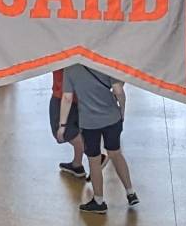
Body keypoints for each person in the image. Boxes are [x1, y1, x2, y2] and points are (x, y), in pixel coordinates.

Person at [61, 63, 135, 212]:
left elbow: (67, 98)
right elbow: (118, 90)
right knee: (115, 153)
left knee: (94, 161)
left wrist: (62, 125)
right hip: (112, 118)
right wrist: (122, 110)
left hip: (89, 123)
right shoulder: (102, 61)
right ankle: (131, 193)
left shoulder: (70, 69)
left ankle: (99, 201)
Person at [51, 70, 87, 179]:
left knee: (65, 131)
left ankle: (94, 155)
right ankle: (77, 164)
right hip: (78, 92)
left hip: (62, 93)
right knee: (75, 128)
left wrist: (62, 127)